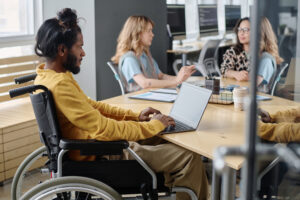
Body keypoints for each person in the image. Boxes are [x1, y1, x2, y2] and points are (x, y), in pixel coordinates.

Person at [34, 8, 208, 200]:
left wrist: (136, 117)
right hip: (106, 153)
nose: (83, 53)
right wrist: (153, 124)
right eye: (79, 47)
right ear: (62, 50)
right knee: (189, 157)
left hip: (100, 147)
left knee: (163, 136)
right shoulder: (60, 84)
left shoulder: (49, 76)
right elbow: (103, 129)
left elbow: (94, 107)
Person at [111, 16, 196, 93]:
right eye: (149, 31)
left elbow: (161, 76)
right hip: (139, 102)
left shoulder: (144, 55)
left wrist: (180, 78)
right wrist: (176, 81)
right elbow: (144, 83)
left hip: (152, 95)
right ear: (138, 33)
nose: (152, 34)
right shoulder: (129, 59)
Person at [221, 17, 283, 93]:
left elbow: (255, 81)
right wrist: (235, 74)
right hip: (239, 94)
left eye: (246, 30)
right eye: (239, 29)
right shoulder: (234, 51)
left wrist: (245, 77)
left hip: (257, 99)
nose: (241, 33)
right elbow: (224, 70)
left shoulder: (266, 58)